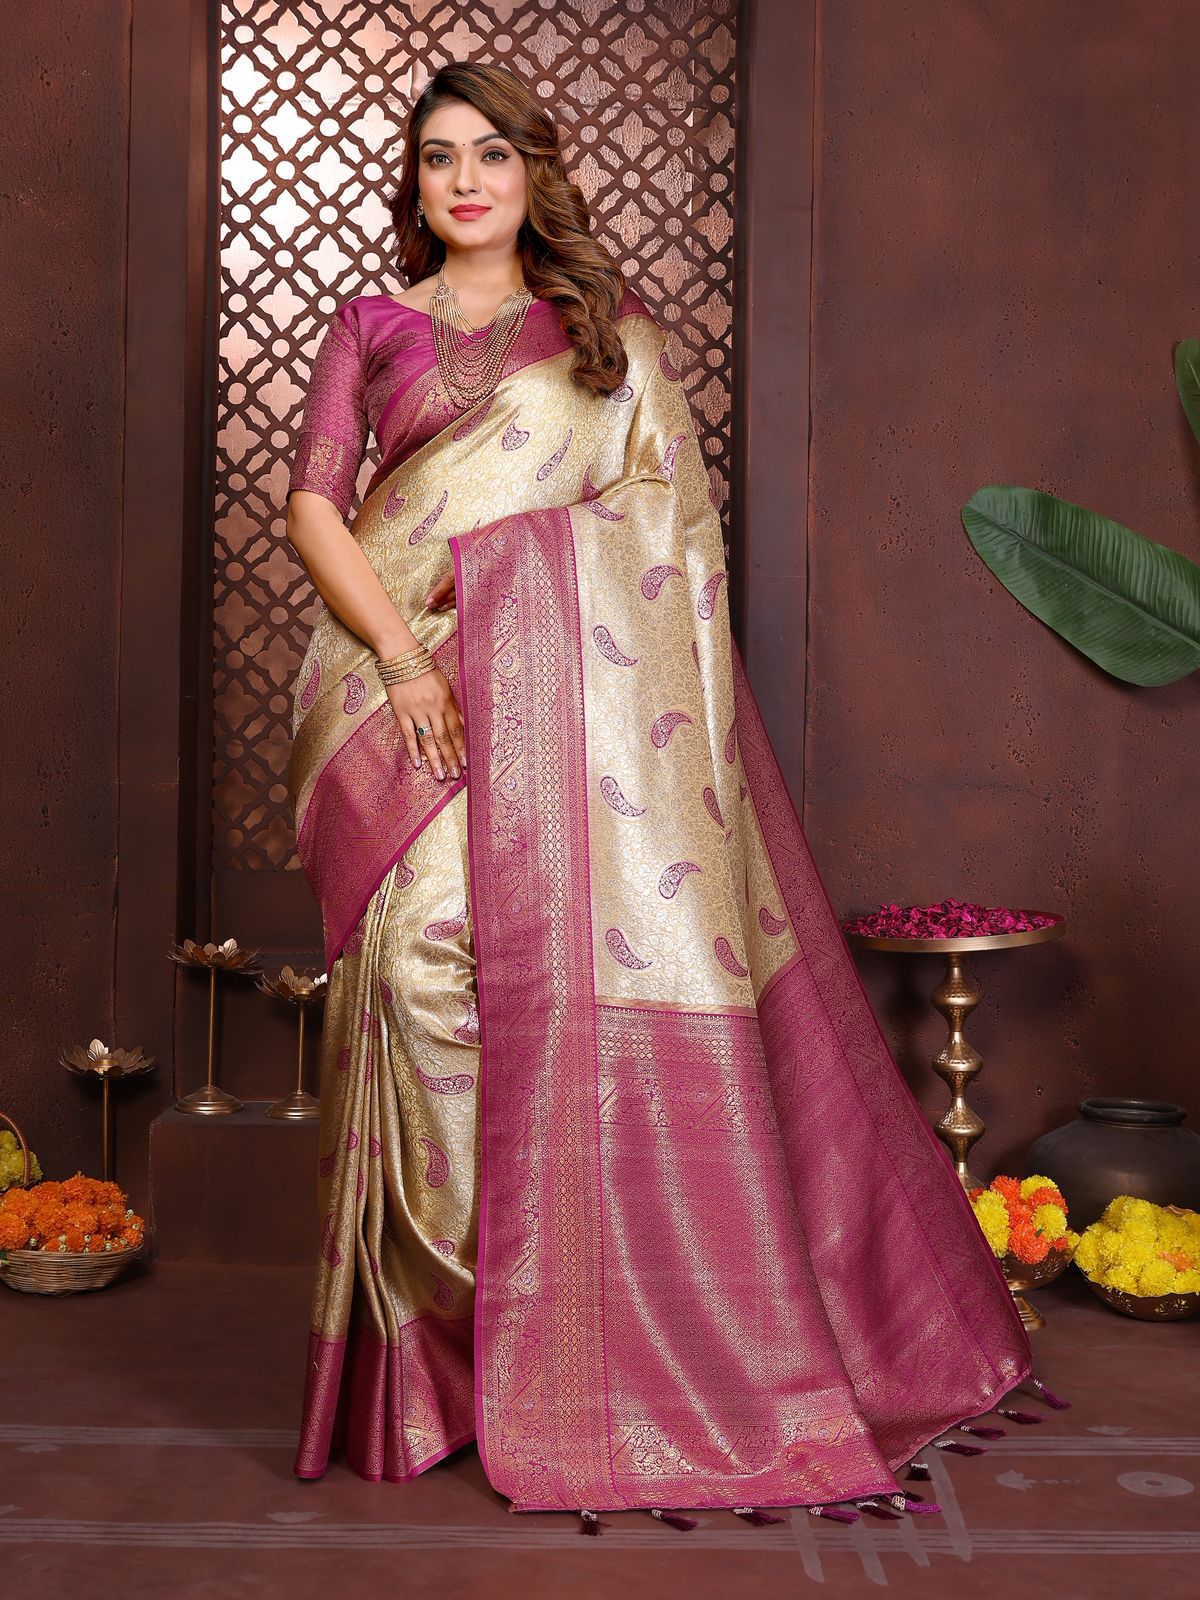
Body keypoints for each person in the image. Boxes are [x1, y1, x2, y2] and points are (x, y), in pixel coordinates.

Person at [284, 60, 1044, 1532]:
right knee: (417, 961)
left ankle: (575, 1332)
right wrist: (405, 660)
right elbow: (319, 501)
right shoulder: (371, 328)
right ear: (418, 183)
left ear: (530, 173)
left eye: (490, 155)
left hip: (573, 728)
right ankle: (445, 1352)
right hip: (405, 692)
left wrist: (522, 600)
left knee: (541, 983)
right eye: (438, 157)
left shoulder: (607, 348)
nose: (464, 182)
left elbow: (667, 551)